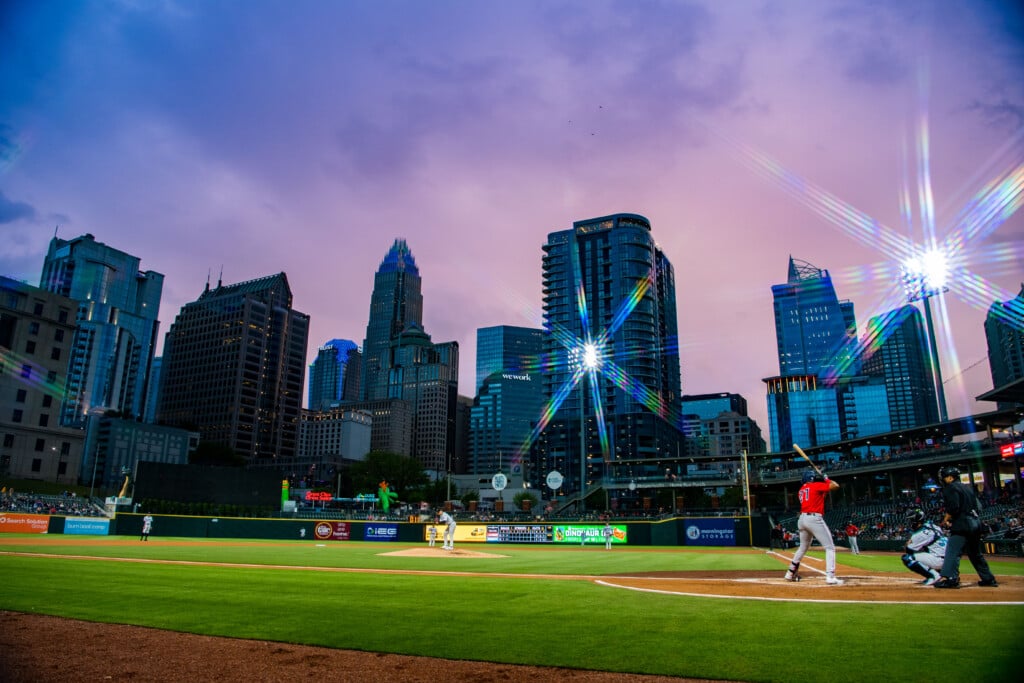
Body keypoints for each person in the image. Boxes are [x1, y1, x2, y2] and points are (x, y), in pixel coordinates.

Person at [934, 466, 998, 589]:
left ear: (950, 477)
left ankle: (951, 578)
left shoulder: (950, 488)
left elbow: (953, 507)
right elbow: (978, 506)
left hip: (963, 524)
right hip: (975, 522)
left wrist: (946, 519)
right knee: (975, 553)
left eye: (944, 477)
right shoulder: (967, 488)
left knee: (953, 551)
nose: (943, 479)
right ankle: (988, 578)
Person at [785, 470, 843, 585]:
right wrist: (826, 478)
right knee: (830, 547)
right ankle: (830, 576)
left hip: (802, 519)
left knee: (802, 548)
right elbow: (835, 485)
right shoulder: (815, 486)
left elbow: (820, 495)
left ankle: (790, 573)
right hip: (814, 518)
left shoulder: (801, 490)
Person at [901, 509, 947, 586]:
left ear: (916, 520)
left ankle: (933, 576)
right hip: (949, 560)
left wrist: (909, 543)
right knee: (927, 550)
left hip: (939, 560)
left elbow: (908, 550)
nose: (910, 523)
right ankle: (941, 572)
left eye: (911, 520)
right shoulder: (933, 526)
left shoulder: (920, 533)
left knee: (907, 558)